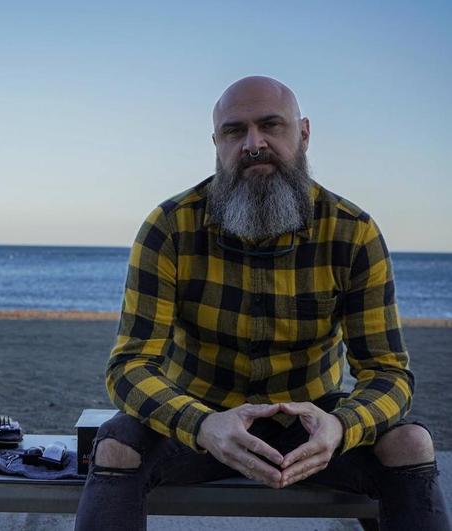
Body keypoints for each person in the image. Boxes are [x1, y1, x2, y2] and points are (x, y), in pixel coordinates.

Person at [74, 76, 450, 531]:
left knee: (410, 442)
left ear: (304, 133)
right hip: (198, 419)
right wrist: (202, 425)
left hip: (311, 423)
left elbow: (389, 371)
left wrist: (342, 427)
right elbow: (129, 366)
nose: (255, 143)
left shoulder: (353, 232)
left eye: (271, 125)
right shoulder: (169, 227)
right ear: (217, 142)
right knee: (115, 446)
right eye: (235, 131)